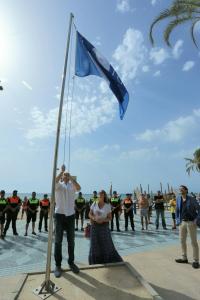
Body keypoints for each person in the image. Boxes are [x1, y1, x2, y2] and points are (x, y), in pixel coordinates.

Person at [54, 164, 81, 278]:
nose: (65, 175)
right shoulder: (58, 185)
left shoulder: (72, 185)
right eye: (64, 175)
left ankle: (71, 263)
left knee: (71, 240)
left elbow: (79, 188)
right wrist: (61, 171)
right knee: (58, 241)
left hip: (70, 215)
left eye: (67, 174)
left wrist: (71, 178)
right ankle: (58, 265)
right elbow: (54, 181)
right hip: (59, 215)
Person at [88, 190, 122, 264]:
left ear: (104, 195)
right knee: (94, 244)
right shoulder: (94, 204)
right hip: (94, 226)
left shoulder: (107, 205)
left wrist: (103, 220)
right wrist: (94, 218)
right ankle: (95, 261)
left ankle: (107, 259)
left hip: (104, 227)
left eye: (101, 194)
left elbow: (110, 217)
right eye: (99, 193)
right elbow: (89, 214)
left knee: (106, 244)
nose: (100, 195)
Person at [175, 185, 200, 269]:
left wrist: (196, 220)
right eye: (180, 189)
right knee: (182, 241)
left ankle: (196, 260)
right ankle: (184, 258)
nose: (180, 190)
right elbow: (177, 210)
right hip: (182, 223)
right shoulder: (178, 198)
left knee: (193, 242)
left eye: (182, 189)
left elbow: (199, 209)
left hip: (191, 223)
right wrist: (177, 220)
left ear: (186, 190)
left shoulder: (192, 199)